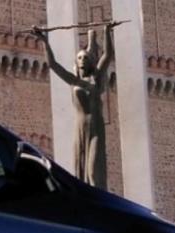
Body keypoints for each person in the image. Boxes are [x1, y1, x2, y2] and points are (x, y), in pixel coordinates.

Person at [32, 23, 117, 190]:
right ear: (76, 62)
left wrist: (107, 31)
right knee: (81, 171)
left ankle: (98, 203)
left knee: (92, 171)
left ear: (91, 61)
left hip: (96, 129)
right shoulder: (73, 81)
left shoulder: (96, 78)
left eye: (85, 57)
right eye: (79, 58)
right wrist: (44, 41)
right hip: (80, 128)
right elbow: (53, 65)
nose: (82, 60)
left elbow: (108, 55)